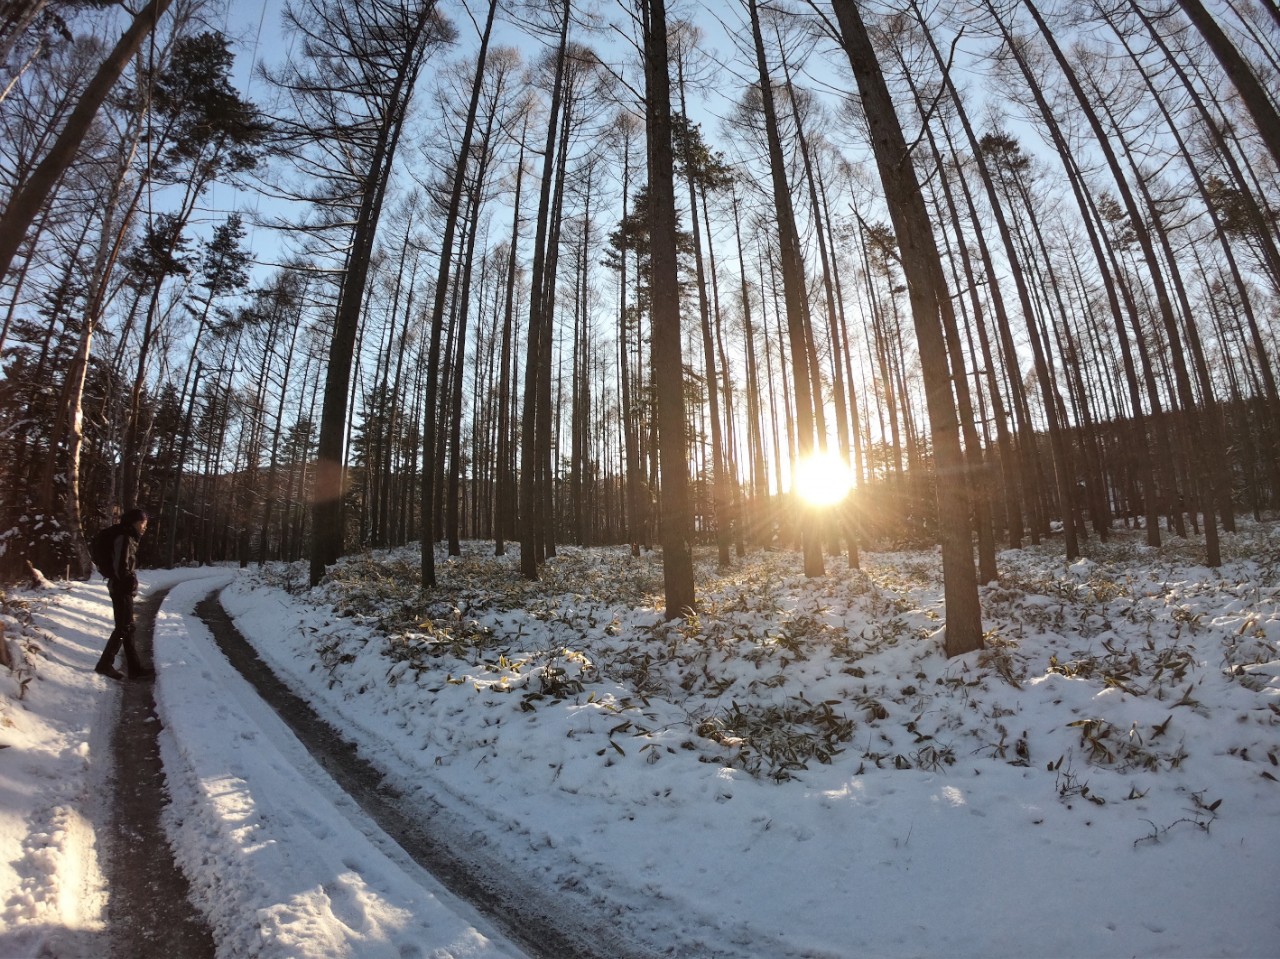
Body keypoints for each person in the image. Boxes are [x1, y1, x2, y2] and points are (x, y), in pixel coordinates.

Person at [94, 508, 155, 681]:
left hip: (120, 586)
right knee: (123, 627)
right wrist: (128, 582)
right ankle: (105, 664)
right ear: (135, 522)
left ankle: (134, 668)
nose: (144, 527)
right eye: (143, 523)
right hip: (121, 587)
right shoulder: (125, 537)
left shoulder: (128, 535)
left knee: (128, 626)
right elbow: (121, 565)